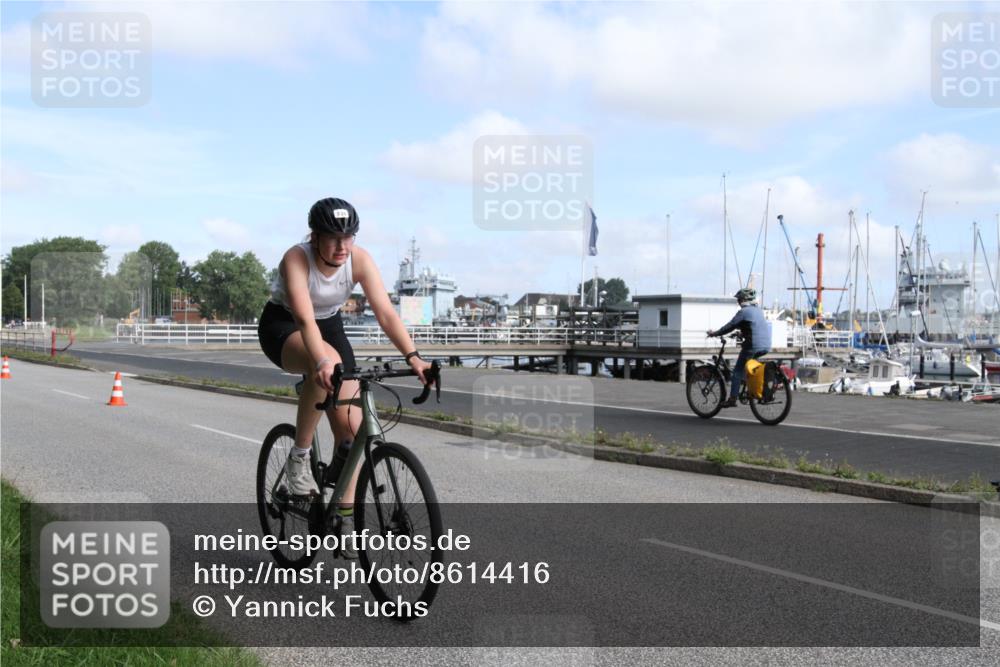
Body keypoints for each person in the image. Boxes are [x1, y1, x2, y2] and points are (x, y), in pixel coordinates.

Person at [257, 197, 431, 556]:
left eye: (349, 237)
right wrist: (319, 359)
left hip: (330, 325)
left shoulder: (360, 260)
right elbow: (305, 320)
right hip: (285, 324)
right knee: (328, 362)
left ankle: (343, 514)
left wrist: (414, 358)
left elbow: (385, 313)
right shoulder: (296, 258)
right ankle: (299, 458)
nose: (342, 247)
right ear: (314, 236)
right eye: (333, 238)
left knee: (351, 432)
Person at [706, 287, 772, 408]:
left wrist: (715, 333)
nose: (738, 302)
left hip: (753, 345)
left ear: (743, 300)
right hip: (766, 345)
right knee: (751, 367)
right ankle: (751, 388)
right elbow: (753, 327)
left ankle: (732, 399)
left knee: (737, 371)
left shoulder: (743, 312)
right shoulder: (758, 310)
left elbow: (730, 326)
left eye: (739, 299)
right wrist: (741, 334)